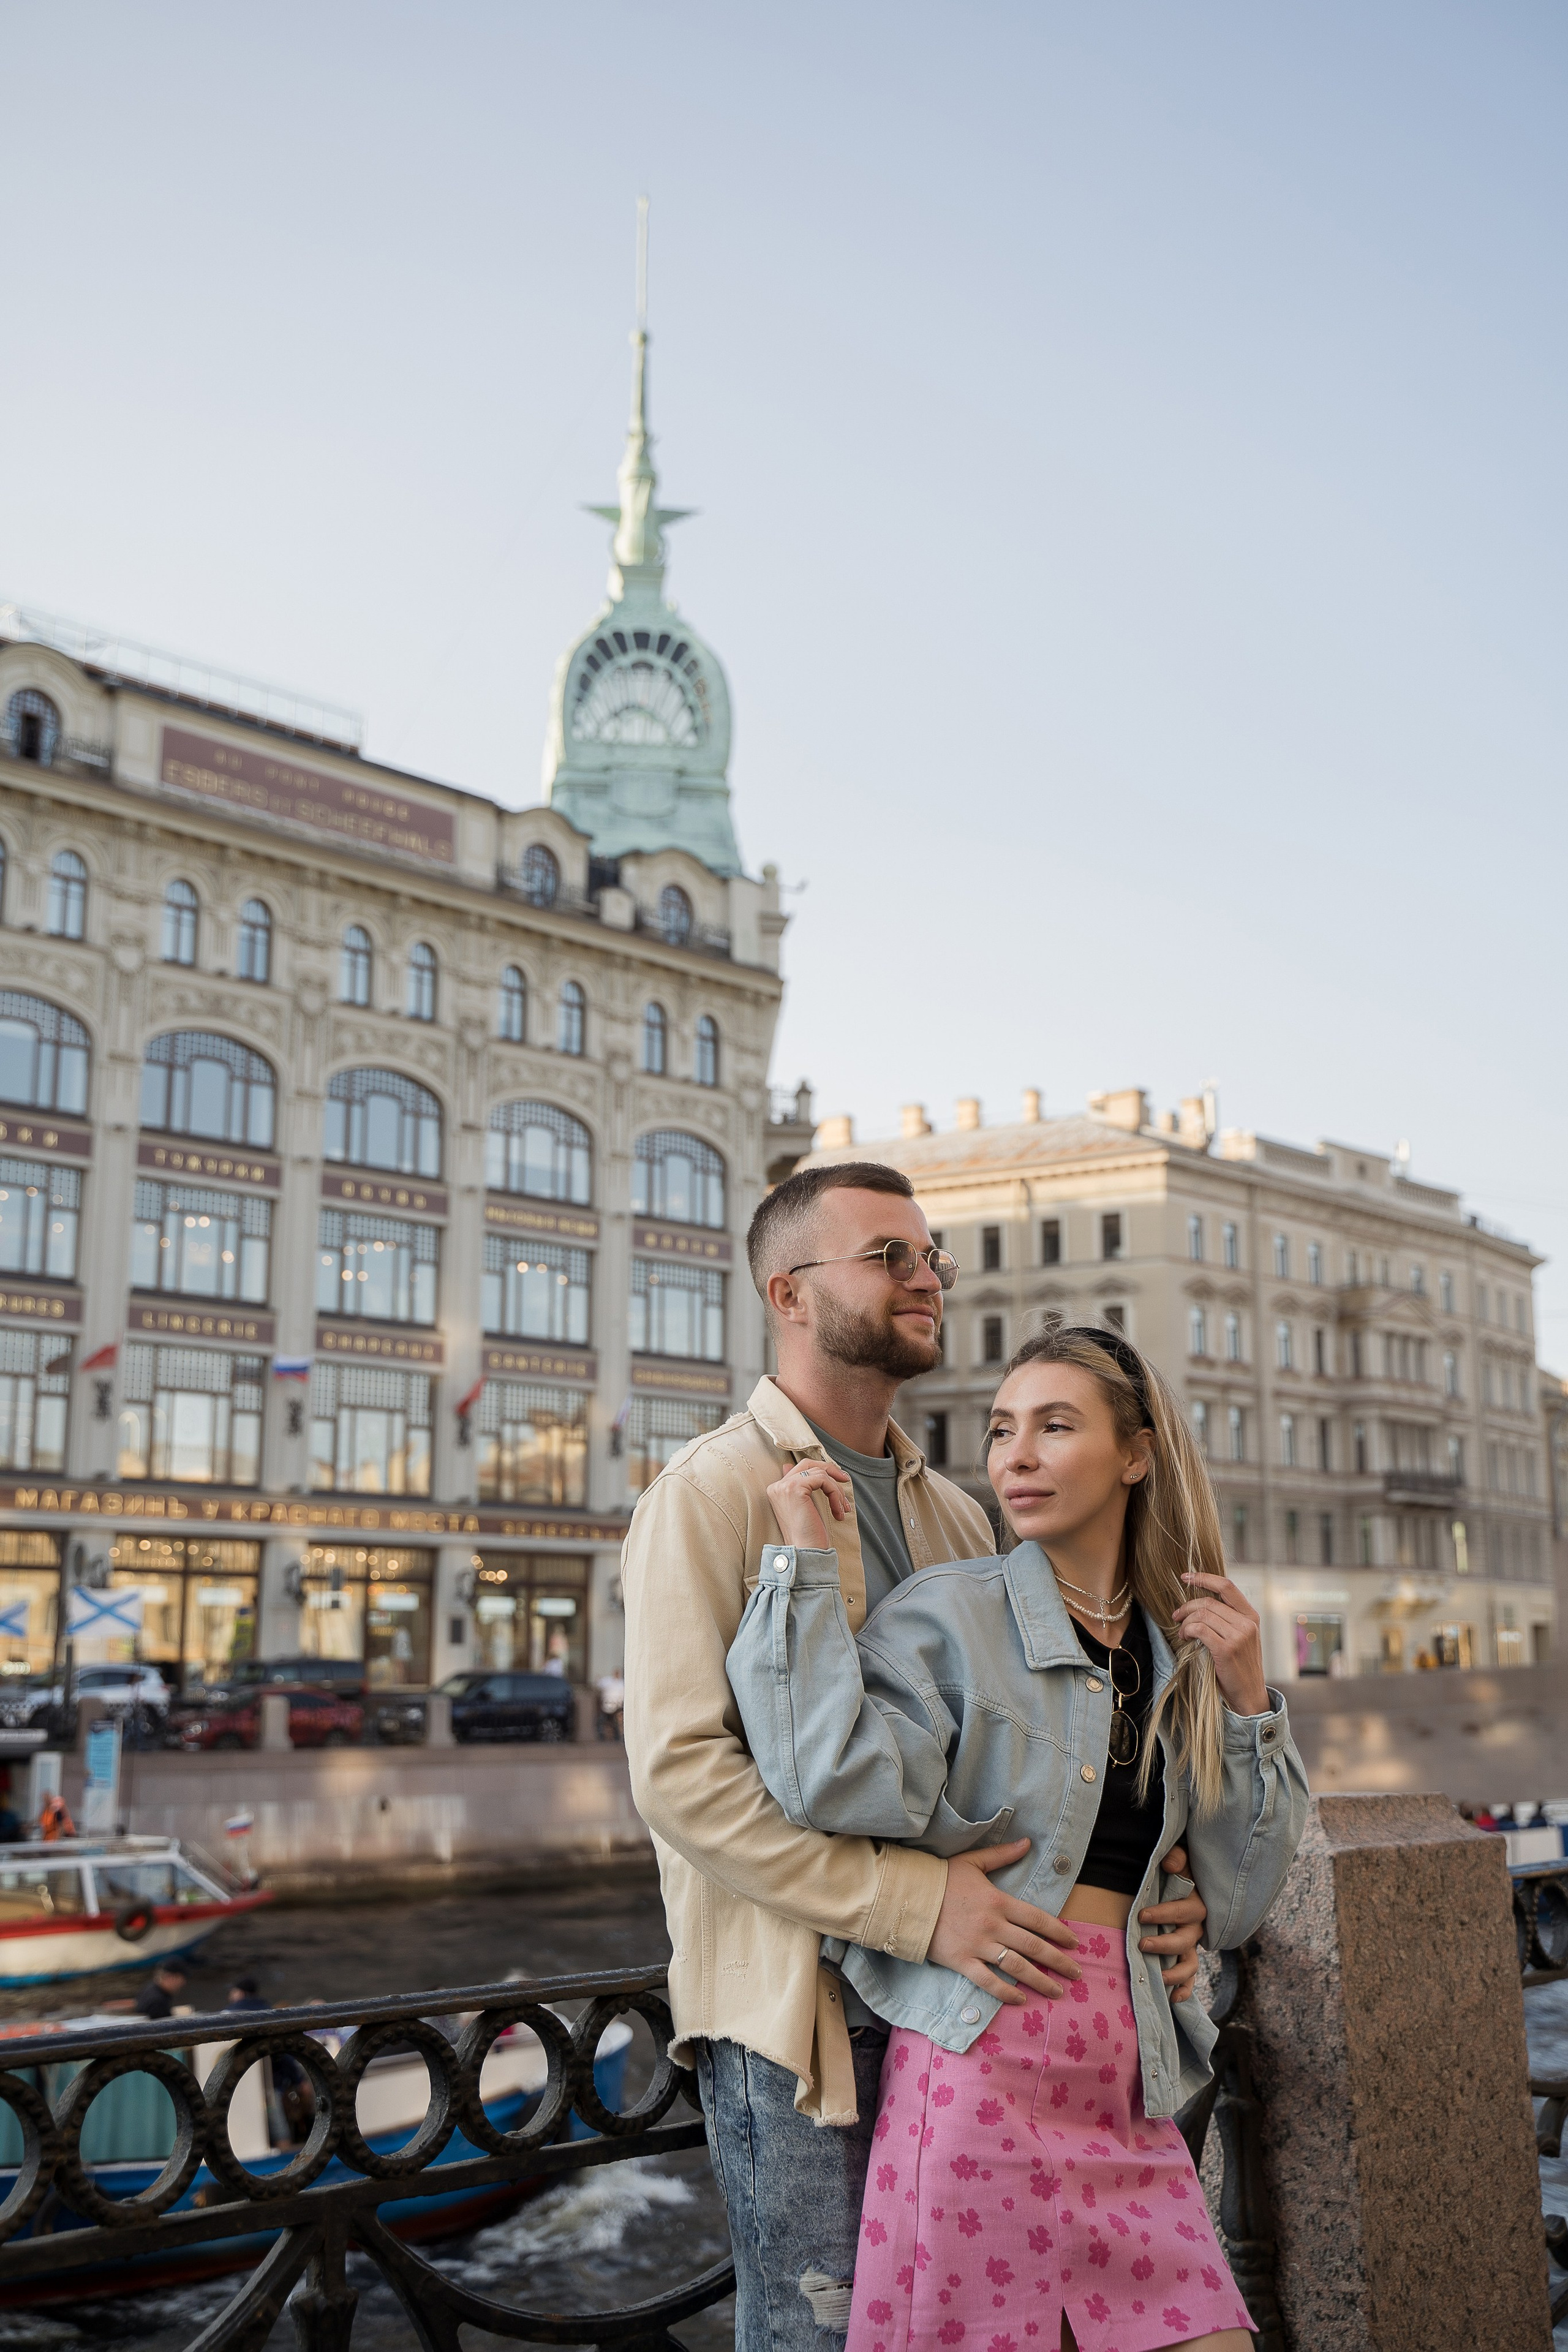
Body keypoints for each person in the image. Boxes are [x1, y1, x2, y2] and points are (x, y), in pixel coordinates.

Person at [622, 1165, 1210, 2352]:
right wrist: (914, 1905)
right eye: (887, 1256)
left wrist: (1156, 1887)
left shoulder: (956, 1511)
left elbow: (1041, 1756)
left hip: (977, 2010)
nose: (925, 1277)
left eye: (928, 1256)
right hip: (806, 2025)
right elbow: (681, 1776)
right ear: (789, 1293)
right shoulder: (710, 1492)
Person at [728, 1321, 1310, 2352]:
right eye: (1002, 1432)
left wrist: (1250, 1699)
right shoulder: (951, 1616)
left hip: (1130, 2066)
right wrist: (802, 1569)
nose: (1018, 1458)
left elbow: (1244, 1891)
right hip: (982, 2058)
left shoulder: (1186, 1650)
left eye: (1054, 1427)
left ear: (1136, 1454)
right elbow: (828, 1781)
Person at [102, 1959, 189, 2018]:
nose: (183, 1984)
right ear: (171, 1978)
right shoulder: (158, 2002)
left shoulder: (150, 1987)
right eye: (181, 1979)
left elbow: (137, 2004)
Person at [595, 1668, 625, 1740]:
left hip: (618, 1707)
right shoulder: (608, 1681)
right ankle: (602, 1735)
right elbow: (598, 1684)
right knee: (602, 1720)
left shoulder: (622, 1683)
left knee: (619, 1719)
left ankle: (618, 1736)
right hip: (606, 1707)